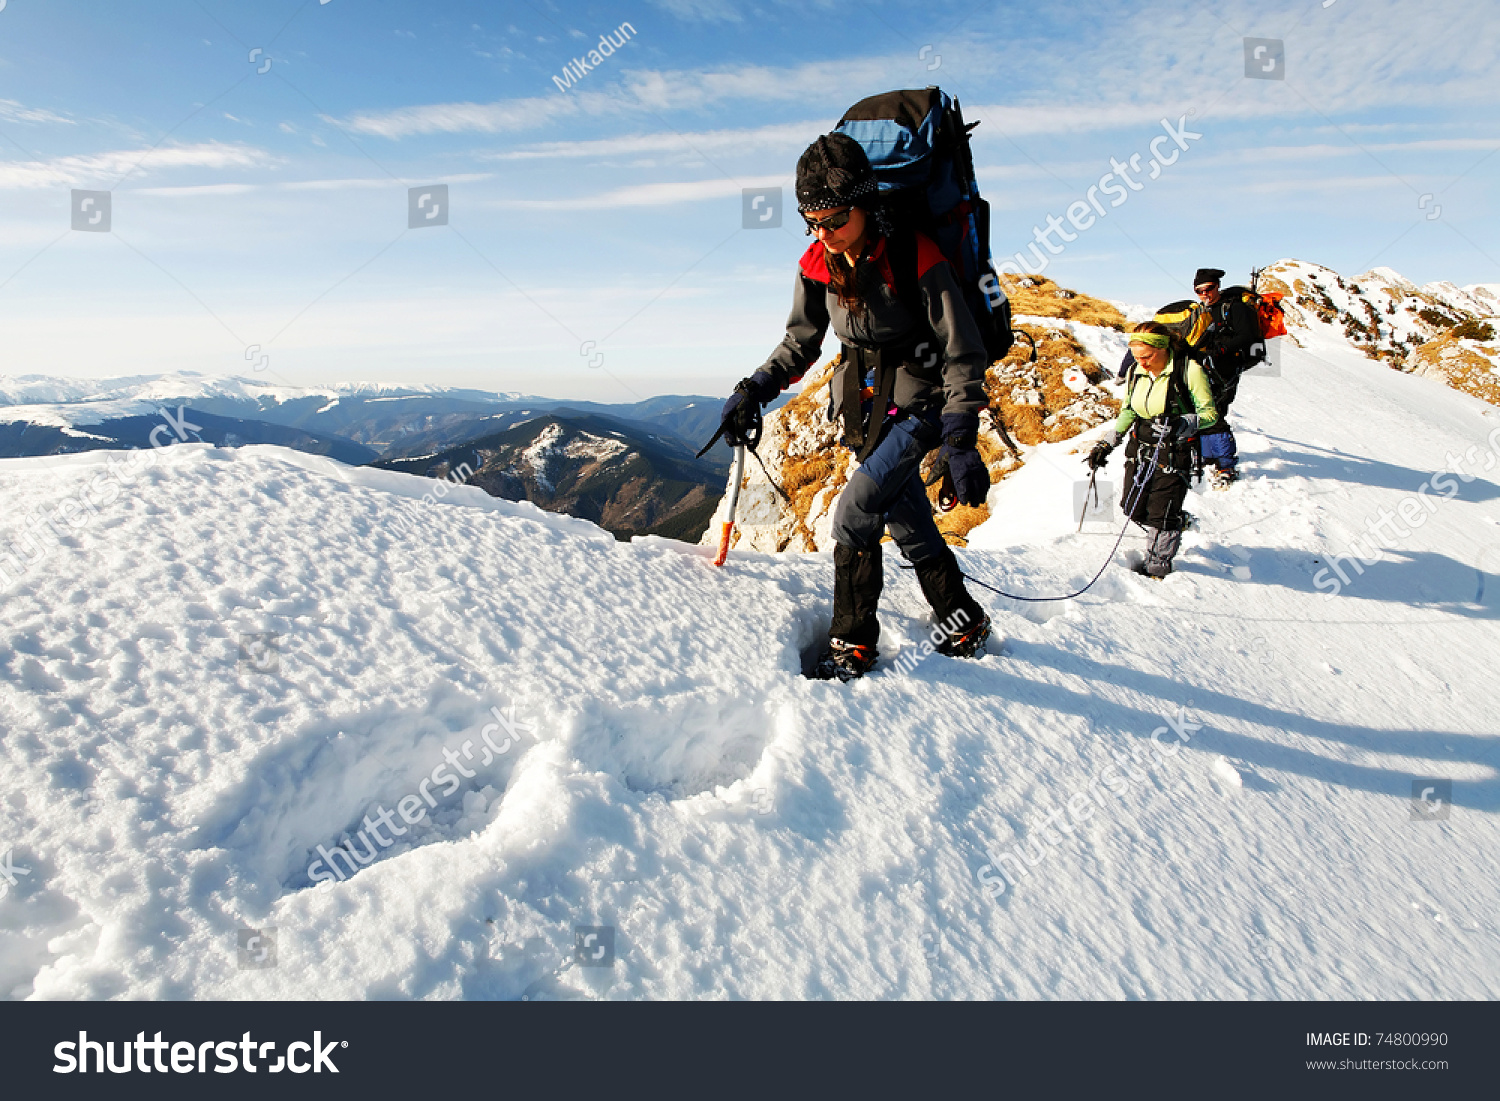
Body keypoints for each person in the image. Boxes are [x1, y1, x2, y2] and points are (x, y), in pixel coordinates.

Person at [719, 133, 992, 680]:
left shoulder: (917, 254)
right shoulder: (818, 262)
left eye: (834, 219)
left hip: (922, 404)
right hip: (862, 410)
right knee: (908, 516)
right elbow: (802, 341)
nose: (822, 233)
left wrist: (960, 435)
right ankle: (963, 620)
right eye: (810, 221)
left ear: (865, 203)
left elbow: (963, 351)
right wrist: (754, 388)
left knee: (855, 511)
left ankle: (853, 642)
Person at [1087, 322, 1218, 579]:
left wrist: (1184, 422)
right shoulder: (1136, 372)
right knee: (1132, 507)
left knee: (1162, 515)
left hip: (1175, 452)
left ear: (1163, 348)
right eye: (1136, 357)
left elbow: (1211, 414)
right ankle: (1179, 520)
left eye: (1147, 357)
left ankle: (1158, 567)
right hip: (1140, 448)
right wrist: (1108, 442)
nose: (1141, 363)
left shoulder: (1189, 371)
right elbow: (1128, 410)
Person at [1190, 268, 1260, 488]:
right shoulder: (1203, 310)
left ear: (1217, 286)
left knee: (1215, 411)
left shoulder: (1235, 308)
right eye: (1199, 291)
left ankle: (1225, 465)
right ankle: (1209, 456)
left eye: (1208, 289)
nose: (1205, 294)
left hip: (1227, 366)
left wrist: (1220, 350)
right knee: (1202, 409)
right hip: (1207, 366)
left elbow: (1249, 336)